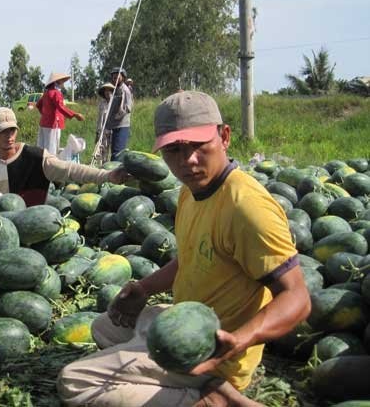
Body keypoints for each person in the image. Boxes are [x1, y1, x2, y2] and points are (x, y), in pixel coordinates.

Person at [57, 91, 311, 406]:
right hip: (186, 325)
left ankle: (211, 398)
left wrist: (237, 341)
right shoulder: (190, 193)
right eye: (174, 150)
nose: (187, 161)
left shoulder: (247, 207)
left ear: (225, 137)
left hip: (217, 350)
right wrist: (145, 288)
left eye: (198, 146)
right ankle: (186, 377)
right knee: (105, 327)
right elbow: (191, 258)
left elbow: (298, 298)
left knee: (73, 382)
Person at [0, 107, 129, 207]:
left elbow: (70, 170)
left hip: (32, 224)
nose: (9, 136)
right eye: (2, 131)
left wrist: (107, 175)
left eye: (12, 130)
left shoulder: (35, 157)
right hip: (1, 228)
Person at [36, 72, 85, 156]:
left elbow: (38, 105)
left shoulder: (46, 93)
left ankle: (40, 166)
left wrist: (45, 114)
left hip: (44, 123)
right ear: (57, 82)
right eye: (62, 81)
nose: (63, 83)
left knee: (42, 148)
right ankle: (50, 167)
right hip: (53, 124)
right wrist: (75, 114)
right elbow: (61, 107)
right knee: (51, 149)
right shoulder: (56, 93)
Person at [105, 67, 133, 161]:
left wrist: (116, 117)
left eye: (118, 77)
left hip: (121, 125)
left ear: (123, 77)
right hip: (114, 126)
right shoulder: (115, 90)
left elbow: (128, 107)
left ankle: (116, 172)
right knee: (114, 151)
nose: (115, 79)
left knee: (118, 153)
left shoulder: (124, 90)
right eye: (113, 77)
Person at [93, 82, 115, 166]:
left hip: (112, 130)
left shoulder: (114, 102)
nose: (107, 92)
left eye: (109, 91)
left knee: (111, 150)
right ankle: (103, 167)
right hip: (103, 130)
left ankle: (110, 166)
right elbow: (99, 118)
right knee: (102, 149)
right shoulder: (102, 103)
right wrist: (97, 132)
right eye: (106, 91)